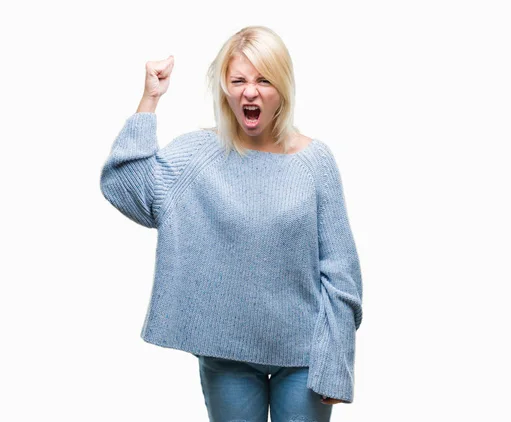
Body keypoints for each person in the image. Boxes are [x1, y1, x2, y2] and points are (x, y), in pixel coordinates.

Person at [99, 25, 363, 422]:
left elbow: (341, 273)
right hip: (226, 352)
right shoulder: (198, 155)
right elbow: (124, 186)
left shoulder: (315, 162)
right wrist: (150, 98)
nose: (249, 91)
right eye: (238, 80)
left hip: (305, 355)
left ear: (283, 88)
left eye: (263, 80)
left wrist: (336, 364)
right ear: (224, 87)